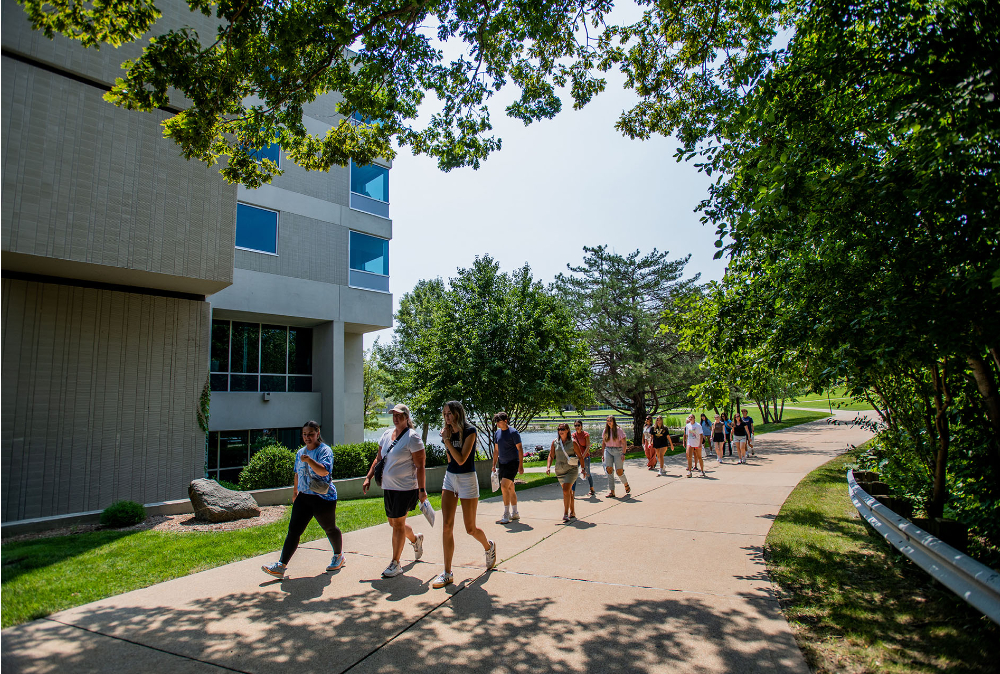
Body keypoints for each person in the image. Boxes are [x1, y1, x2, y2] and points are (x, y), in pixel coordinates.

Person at [262, 421, 343, 578]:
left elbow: (324, 472)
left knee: (330, 528)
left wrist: (309, 461)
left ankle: (338, 556)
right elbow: (297, 473)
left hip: (323, 497)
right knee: (293, 531)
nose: (307, 437)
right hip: (304, 497)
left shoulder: (325, 451)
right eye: (305, 434)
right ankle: (281, 566)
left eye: (311, 434)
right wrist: (295, 492)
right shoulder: (300, 453)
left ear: (317, 433)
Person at [433, 400, 496, 589]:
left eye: (449, 414)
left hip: (467, 479)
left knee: (470, 528)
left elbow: (461, 460)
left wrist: (446, 441)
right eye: (444, 414)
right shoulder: (448, 432)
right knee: (446, 526)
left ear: (458, 413)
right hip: (450, 478)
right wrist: (447, 440)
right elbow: (450, 460)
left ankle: (489, 547)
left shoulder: (470, 431)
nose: (446, 418)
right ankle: (447, 572)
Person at [362, 404, 428, 578]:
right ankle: (416, 540)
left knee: (398, 524)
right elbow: (378, 459)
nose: (396, 418)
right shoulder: (386, 435)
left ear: (406, 417)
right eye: (394, 415)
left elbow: (420, 466)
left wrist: (422, 490)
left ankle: (396, 563)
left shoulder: (412, 438)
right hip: (388, 487)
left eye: (399, 415)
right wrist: (368, 477)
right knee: (393, 523)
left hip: (406, 488)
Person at [547, 423, 587, 521]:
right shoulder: (555, 442)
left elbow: (580, 456)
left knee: (565, 491)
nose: (560, 431)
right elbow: (551, 455)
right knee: (568, 492)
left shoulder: (573, 442)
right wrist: (548, 467)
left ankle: (565, 513)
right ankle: (572, 511)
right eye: (559, 429)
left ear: (567, 430)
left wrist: (583, 469)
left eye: (563, 429)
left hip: (571, 469)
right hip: (559, 470)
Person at [491, 412, 524, 524]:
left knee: (504, 486)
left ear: (505, 421)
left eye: (499, 422)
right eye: (497, 422)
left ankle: (506, 514)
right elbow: (496, 450)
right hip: (502, 463)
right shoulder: (497, 433)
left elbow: (520, 449)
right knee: (510, 488)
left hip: (513, 463)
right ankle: (515, 513)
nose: (498, 424)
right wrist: (494, 464)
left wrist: (521, 466)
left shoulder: (513, 432)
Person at [602, 415, 630, 498]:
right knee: (609, 470)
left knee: (619, 471)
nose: (609, 422)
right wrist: (603, 454)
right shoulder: (605, 431)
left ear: (614, 421)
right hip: (608, 450)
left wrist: (623, 453)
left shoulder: (619, 430)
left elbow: (624, 442)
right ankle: (612, 491)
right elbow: (603, 443)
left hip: (618, 451)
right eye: (607, 421)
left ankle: (626, 484)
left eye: (610, 420)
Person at [572, 420, 595, 497]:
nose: (577, 427)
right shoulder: (573, 435)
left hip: (585, 457)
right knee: (574, 474)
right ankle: (573, 492)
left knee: (587, 473)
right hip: (577, 457)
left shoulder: (585, 434)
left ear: (581, 426)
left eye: (578, 425)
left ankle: (591, 488)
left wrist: (583, 456)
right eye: (575, 425)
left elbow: (588, 446)